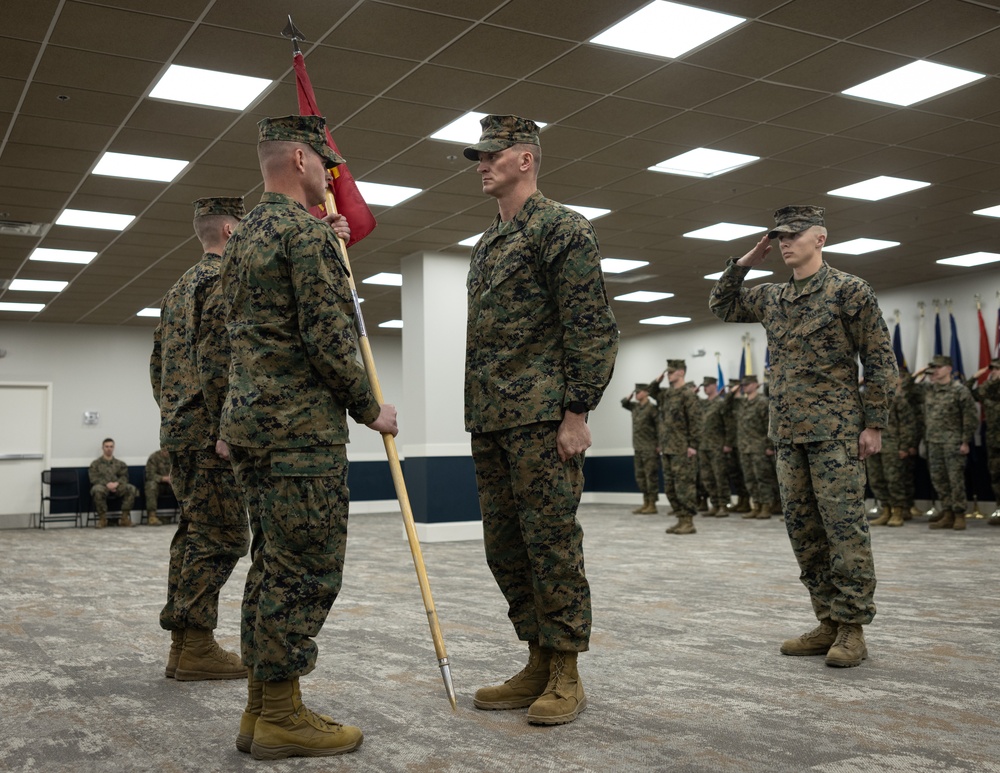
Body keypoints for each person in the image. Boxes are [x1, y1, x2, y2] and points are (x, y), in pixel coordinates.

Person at [218, 115, 397, 760]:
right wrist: (369, 407)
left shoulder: (241, 238)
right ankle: (282, 715)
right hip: (301, 435)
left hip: (253, 431)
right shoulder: (305, 236)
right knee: (306, 571)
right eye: (325, 164)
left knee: (270, 566)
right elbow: (327, 339)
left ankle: (260, 707)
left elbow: (242, 337)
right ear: (299, 157)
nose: (331, 175)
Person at [463, 114, 618, 725]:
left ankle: (565, 671)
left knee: (551, 546)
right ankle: (534, 658)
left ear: (524, 158)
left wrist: (577, 410)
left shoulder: (562, 229)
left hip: (542, 420)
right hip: (492, 420)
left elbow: (591, 325)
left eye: (492, 155)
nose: (482, 165)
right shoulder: (487, 243)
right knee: (505, 548)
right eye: (479, 157)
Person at [710, 204, 897, 668]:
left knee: (844, 529)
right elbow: (722, 305)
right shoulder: (772, 296)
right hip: (787, 432)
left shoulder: (849, 291)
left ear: (821, 238)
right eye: (779, 236)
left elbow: (879, 361)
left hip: (836, 432)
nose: (785, 242)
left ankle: (852, 627)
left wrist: (874, 424)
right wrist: (746, 261)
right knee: (804, 531)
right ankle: (827, 620)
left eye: (794, 234)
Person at [150, 196, 252, 687]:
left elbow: (157, 367)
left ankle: (182, 645)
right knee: (224, 536)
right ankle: (195, 644)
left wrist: (175, 417)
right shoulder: (221, 281)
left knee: (193, 534)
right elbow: (219, 361)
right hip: (212, 435)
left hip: (180, 432)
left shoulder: (177, 289)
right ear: (232, 232)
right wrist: (225, 429)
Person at [917, 355, 978, 530]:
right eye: (933, 367)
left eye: (938, 367)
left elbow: (970, 418)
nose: (935, 370)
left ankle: (959, 515)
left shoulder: (960, 391)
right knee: (939, 480)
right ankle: (948, 513)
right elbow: (907, 391)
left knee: (955, 480)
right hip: (933, 442)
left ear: (949, 369)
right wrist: (921, 373)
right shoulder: (929, 389)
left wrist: (965, 441)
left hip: (953, 443)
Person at [649, 359, 701, 535]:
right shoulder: (667, 395)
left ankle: (688, 521)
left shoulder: (688, 394)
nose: (668, 375)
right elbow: (651, 392)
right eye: (667, 372)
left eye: (671, 372)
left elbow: (695, 421)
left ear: (681, 372)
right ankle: (680, 519)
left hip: (682, 448)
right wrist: (658, 380)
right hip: (668, 447)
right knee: (670, 487)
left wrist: (693, 445)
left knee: (684, 486)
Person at [867, 375, 919, 528]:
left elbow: (908, 425)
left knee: (894, 480)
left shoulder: (898, 400)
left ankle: (898, 511)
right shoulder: (869, 400)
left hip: (892, 446)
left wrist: (904, 446)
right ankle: (886, 510)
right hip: (873, 446)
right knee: (877, 480)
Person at [736, 374, 780, 519]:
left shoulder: (762, 402)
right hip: (745, 447)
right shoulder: (743, 403)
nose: (745, 387)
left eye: (748, 384)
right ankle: (756, 505)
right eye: (743, 385)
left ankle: (766, 506)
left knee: (763, 478)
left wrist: (769, 445)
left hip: (759, 447)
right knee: (749, 479)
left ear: (756, 385)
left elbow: (769, 425)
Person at [968, 359, 1000, 524]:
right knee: (995, 476)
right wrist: (975, 376)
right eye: (992, 369)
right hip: (994, 441)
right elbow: (968, 394)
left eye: (997, 369)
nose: (994, 372)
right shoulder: (988, 390)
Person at [621, 383, 661, 514]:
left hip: (650, 447)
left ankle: (652, 504)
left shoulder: (652, 408)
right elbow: (624, 403)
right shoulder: (635, 407)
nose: (636, 394)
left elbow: (660, 428)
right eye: (635, 392)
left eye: (639, 392)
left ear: (646, 392)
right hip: (638, 447)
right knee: (640, 477)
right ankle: (645, 502)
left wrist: (659, 444)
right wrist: (630, 395)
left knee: (651, 476)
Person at [698, 376, 731, 516]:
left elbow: (728, 425)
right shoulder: (702, 404)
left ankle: (723, 505)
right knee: (707, 477)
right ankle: (715, 504)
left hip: (717, 446)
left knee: (719, 476)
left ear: (714, 386)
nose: (705, 388)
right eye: (703, 386)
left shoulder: (721, 403)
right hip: (703, 446)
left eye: (707, 385)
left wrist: (728, 443)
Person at [88, 438, 138, 528]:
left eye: (111, 446)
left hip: (117, 486)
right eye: (106, 446)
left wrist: (116, 484)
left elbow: (124, 477)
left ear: (113, 448)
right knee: (97, 490)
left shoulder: (120, 464)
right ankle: (102, 519)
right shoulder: (95, 464)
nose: (109, 448)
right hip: (102, 486)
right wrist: (107, 484)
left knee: (131, 488)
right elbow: (93, 478)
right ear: (102, 448)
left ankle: (124, 518)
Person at [143, 448, 172, 525]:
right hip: (159, 485)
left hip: (173, 485)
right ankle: (152, 517)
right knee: (151, 485)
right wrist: (164, 479)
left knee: (184, 486)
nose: (167, 451)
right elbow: (149, 475)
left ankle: (188, 516)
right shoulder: (154, 457)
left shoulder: (177, 456)